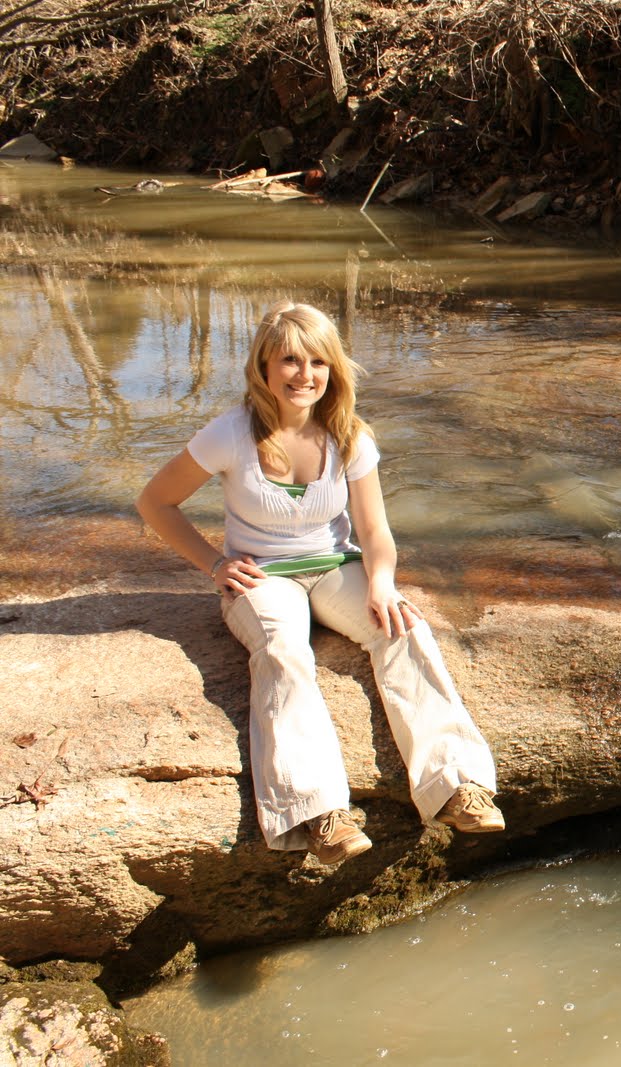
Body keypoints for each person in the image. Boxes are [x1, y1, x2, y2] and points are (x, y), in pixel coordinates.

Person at [137, 300, 504, 865]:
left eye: (317, 361)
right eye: (289, 360)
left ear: (333, 369)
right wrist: (214, 564)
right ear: (264, 368)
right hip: (263, 579)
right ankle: (318, 812)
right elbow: (155, 502)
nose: (303, 375)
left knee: (403, 627)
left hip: (336, 568)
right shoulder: (230, 434)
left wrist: (381, 582)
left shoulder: (349, 436)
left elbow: (376, 530)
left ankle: (457, 784)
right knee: (283, 651)